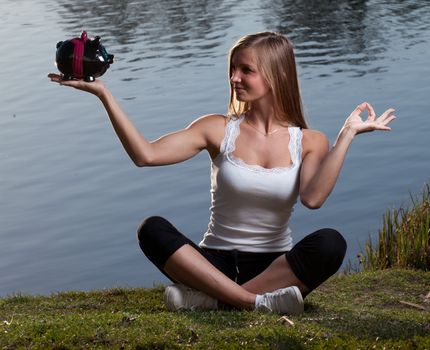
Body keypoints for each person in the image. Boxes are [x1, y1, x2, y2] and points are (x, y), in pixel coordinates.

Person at [48, 31, 395, 314]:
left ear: (278, 75)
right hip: (212, 262)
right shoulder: (216, 129)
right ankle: (250, 302)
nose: (234, 78)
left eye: (246, 70)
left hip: (275, 266)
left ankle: (213, 300)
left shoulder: (309, 141)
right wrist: (104, 95)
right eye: (233, 69)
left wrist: (346, 136)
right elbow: (145, 155)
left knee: (331, 243)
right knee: (150, 229)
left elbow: (314, 198)